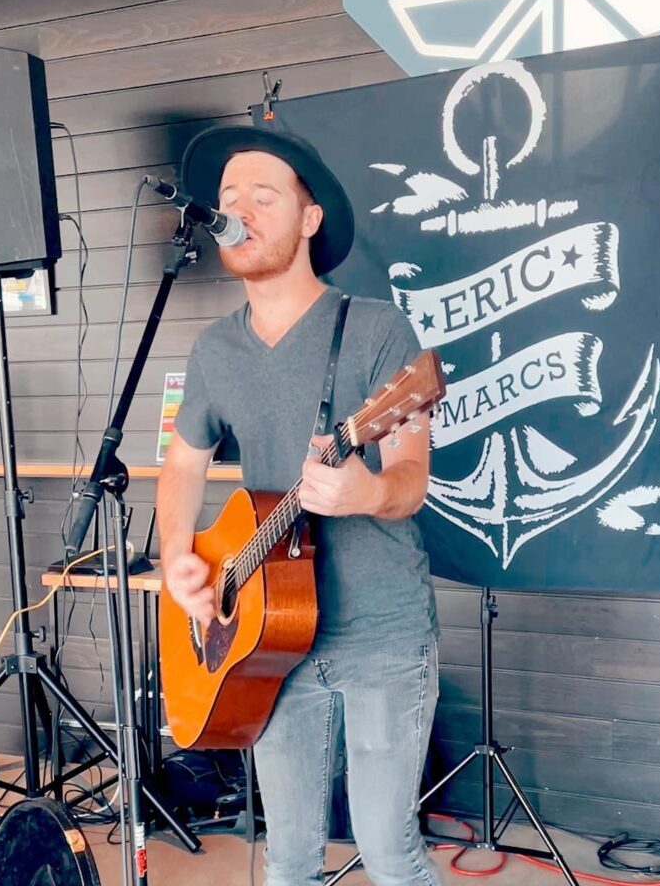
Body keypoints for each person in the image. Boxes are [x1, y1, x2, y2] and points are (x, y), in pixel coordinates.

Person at [157, 125, 442, 886]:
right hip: (265, 639)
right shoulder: (214, 350)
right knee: (287, 860)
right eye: (228, 199)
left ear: (310, 219)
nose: (239, 211)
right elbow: (182, 463)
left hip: (381, 633)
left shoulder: (379, 330)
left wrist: (365, 491)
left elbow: (410, 477)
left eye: (264, 196)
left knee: (388, 851)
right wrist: (178, 556)